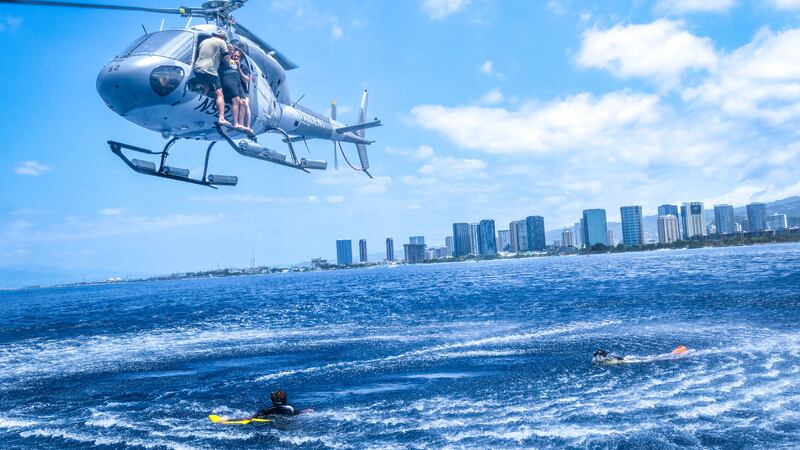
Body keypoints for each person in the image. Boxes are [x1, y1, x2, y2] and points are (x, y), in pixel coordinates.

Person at [193, 29, 231, 127]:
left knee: (206, 88)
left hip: (197, 69)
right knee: (219, 94)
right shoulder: (221, 42)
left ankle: (197, 110)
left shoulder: (203, 41)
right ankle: (221, 118)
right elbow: (227, 60)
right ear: (223, 37)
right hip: (210, 71)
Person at [219, 43, 245, 130]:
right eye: (229, 49)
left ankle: (238, 123)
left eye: (232, 50)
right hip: (228, 79)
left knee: (240, 101)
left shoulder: (234, 62)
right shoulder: (225, 58)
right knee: (235, 100)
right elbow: (224, 60)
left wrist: (238, 66)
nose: (231, 51)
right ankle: (235, 123)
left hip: (236, 81)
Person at [236, 49, 252, 133]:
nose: (235, 58)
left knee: (245, 104)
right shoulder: (230, 65)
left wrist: (239, 69)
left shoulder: (244, 67)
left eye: (237, 56)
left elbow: (246, 80)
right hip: (235, 90)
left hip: (243, 90)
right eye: (234, 56)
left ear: (240, 58)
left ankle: (245, 125)